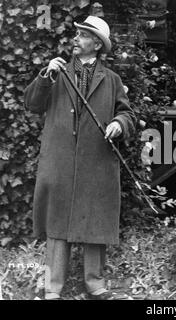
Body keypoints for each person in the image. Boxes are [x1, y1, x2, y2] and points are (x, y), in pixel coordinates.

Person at [24, 16, 136, 300]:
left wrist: (119, 124)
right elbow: (32, 104)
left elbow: (128, 114)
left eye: (83, 35)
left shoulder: (112, 80)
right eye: (76, 34)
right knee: (56, 222)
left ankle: (96, 286)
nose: (75, 39)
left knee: (95, 221)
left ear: (97, 44)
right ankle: (52, 289)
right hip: (60, 160)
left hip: (96, 160)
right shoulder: (56, 72)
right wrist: (45, 76)